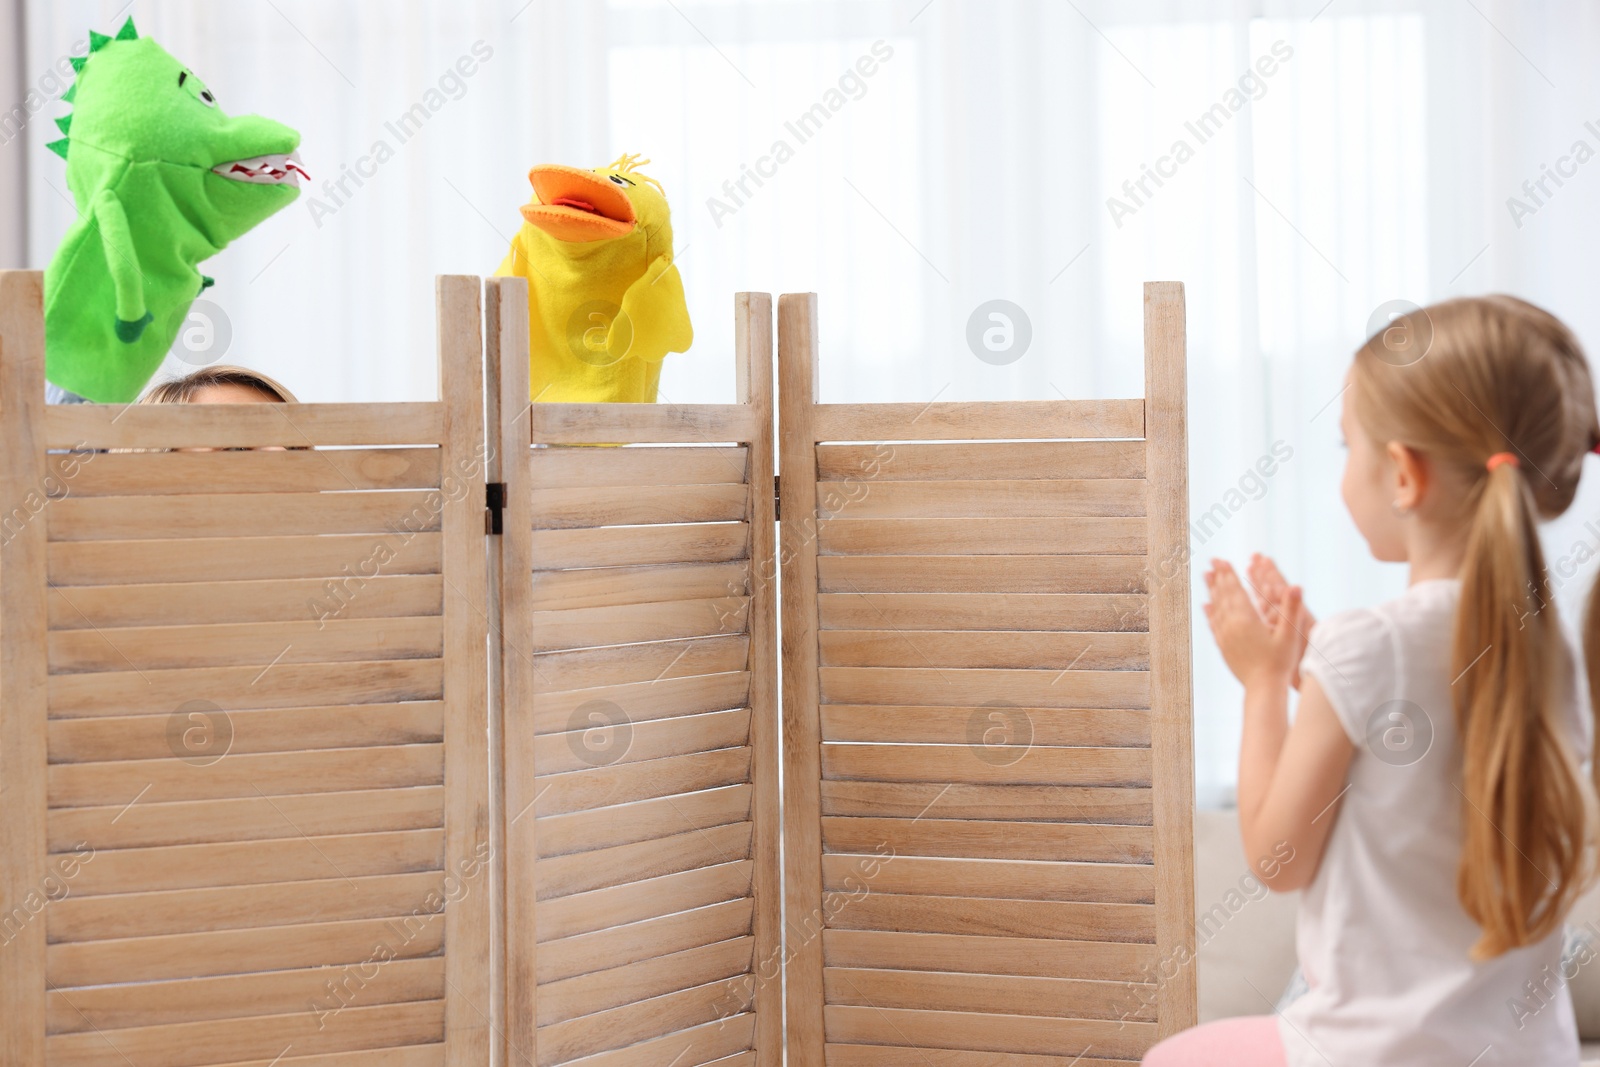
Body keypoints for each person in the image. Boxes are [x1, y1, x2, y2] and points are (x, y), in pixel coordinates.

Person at [1144, 296, 1600, 1066]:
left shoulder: (1370, 645)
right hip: (1531, 1052)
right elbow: (1428, 722)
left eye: (1345, 444)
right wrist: (1318, 664)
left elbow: (1278, 860)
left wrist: (1262, 682)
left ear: (1401, 474)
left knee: (1170, 1058)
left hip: (1369, 1052)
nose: (1343, 468)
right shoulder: (1549, 650)